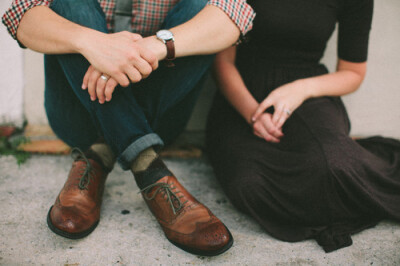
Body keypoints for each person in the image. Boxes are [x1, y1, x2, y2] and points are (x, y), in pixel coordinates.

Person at [2, 0, 255, 256]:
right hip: (78, 115)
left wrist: (152, 47)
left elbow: (235, 15)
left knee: (204, 9)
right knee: (69, 3)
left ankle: (99, 153)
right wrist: (94, 45)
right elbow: (22, 16)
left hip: (157, 118)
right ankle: (147, 166)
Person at [206, 0, 400, 253]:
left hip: (309, 94)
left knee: (335, 164)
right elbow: (222, 62)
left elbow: (352, 73)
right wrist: (252, 113)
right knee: (250, 185)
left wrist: (301, 89)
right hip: (241, 94)